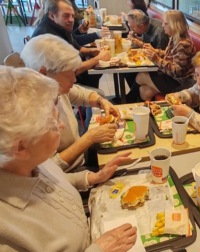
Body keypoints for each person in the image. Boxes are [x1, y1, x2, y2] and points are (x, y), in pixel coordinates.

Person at [0, 66, 137, 251]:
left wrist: (91, 177)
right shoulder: (7, 231)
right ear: (21, 146)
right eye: (53, 124)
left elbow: (52, 181)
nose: (62, 125)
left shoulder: (32, 163)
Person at [21, 34, 120, 172]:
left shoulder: (54, 88)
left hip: (81, 156)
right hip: (70, 174)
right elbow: (49, 172)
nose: (74, 79)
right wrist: (89, 138)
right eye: (70, 74)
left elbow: (79, 93)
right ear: (43, 73)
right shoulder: (30, 113)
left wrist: (101, 100)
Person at [32, 0, 110, 89]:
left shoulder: (58, 26)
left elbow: (76, 45)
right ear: (52, 15)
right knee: (96, 74)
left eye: (72, 16)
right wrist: (97, 59)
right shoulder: (48, 36)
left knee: (96, 70)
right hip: (53, 85)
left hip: (65, 74)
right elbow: (70, 70)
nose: (71, 20)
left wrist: (93, 51)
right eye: (66, 16)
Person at [134, 10, 196, 101]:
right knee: (144, 91)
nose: (162, 26)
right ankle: (146, 110)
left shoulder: (184, 44)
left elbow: (178, 72)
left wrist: (157, 60)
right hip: (171, 77)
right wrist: (155, 50)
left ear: (175, 25)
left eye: (166, 23)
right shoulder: (174, 37)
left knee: (141, 76)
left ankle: (129, 100)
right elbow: (168, 54)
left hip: (181, 83)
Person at [124, 9, 169, 102]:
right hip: (153, 64)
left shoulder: (160, 32)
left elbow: (161, 55)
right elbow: (147, 43)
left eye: (132, 26)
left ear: (140, 26)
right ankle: (131, 99)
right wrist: (136, 39)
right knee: (142, 90)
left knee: (133, 73)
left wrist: (140, 44)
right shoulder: (146, 25)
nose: (130, 28)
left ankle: (129, 99)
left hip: (161, 70)